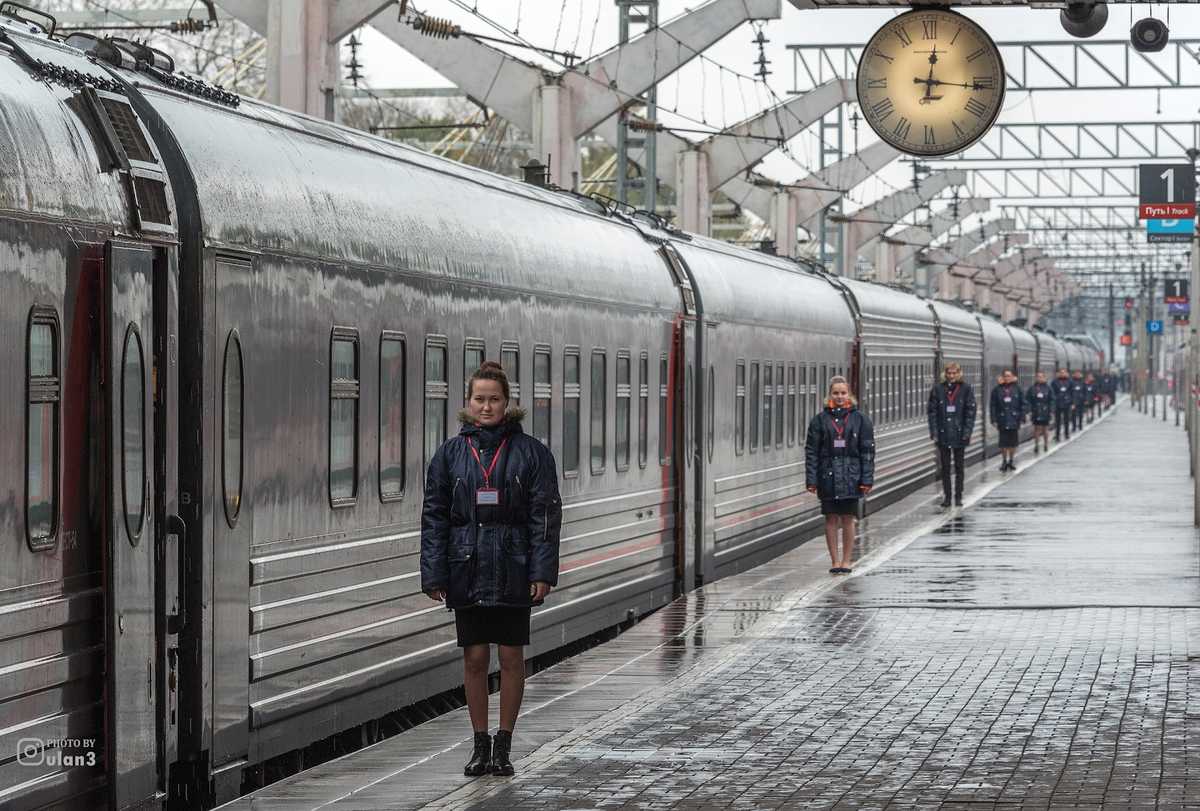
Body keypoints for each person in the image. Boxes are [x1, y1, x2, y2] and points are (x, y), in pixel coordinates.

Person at [421, 361, 562, 778]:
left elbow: (545, 516)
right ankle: (479, 745)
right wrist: (434, 575)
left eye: (494, 399)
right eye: (479, 399)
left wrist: (542, 571)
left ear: (508, 402)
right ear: (468, 403)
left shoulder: (531, 452)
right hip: (467, 567)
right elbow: (434, 517)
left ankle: (504, 745)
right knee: (475, 657)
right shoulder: (449, 454)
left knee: (512, 656)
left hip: (514, 567)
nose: (487, 406)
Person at [806, 376, 874, 574]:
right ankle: (834, 561)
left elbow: (867, 451)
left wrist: (866, 479)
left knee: (848, 518)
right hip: (827, 475)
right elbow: (811, 451)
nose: (839, 396)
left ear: (849, 395)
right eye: (835, 393)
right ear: (830, 395)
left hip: (851, 475)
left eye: (843, 393)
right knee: (830, 517)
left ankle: (846, 561)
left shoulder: (860, 419)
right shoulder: (819, 420)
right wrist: (812, 479)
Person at [927, 362, 976, 508]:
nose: (952, 376)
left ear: (959, 374)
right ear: (945, 374)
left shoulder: (966, 389)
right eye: (949, 373)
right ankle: (947, 496)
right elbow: (932, 413)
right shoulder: (937, 390)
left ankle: (958, 495)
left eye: (954, 373)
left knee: (960, 467)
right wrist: (934, 432)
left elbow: (970, 413)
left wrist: (967, 432)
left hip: (959, 434)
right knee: (945, 468)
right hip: (943, 434)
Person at [990, 369, 1025, 472]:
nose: (1007, 378)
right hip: (1002, 418)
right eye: (1005, 376)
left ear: (1013, 377)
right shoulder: (997, 390)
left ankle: (1011, 460)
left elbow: (1022, 404)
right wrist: (993, 418)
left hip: (1014, 418)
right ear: (1002, 378)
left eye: (1009, 376)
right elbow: (993, 405)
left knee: (1013, 442)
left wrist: (1022, 416)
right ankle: (1004, 461)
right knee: (1003, 442)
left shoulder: (1017, 389)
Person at [1026, 371, 1054, 454]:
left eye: (1041, 377)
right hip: (1036, 410)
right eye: (1038, 377)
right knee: (1037, 428)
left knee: (1045, 428)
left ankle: (1045, 444)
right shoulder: (1032, 388)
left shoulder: (1048, 388)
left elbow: (1052, 400)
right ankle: (1036, 445)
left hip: (1045, 411)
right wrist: (1029, 410)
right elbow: (1028, 400)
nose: (1039, 378)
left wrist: (1052, 410)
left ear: (1044, 378)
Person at [1052, 368, 1073, 441]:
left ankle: (1066, 434)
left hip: (1066, 402)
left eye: (1064, 372)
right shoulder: (1055, 382)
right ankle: (1057, 434)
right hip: (1058, 403)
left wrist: (1072, 403)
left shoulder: (1069, 382)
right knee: (1057, 420)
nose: (1062, 374)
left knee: (1066, 419)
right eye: (1061, 372)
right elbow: (1052, 392)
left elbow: (1072, 392)